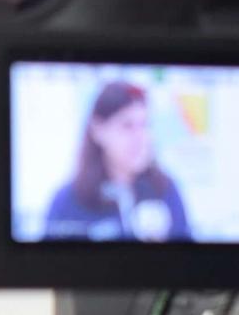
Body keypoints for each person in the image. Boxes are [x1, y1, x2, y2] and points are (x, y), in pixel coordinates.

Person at [41, 79, 195, 241]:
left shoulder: (166, 191)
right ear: (98, 130)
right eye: (127, 125)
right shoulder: (68, 200)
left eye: (144, 124)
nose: (140, 137)